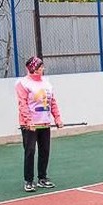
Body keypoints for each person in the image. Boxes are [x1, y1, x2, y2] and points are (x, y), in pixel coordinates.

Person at [15, 56, 64, 192]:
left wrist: (57, 118)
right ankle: (29, 181)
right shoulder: (23, 83)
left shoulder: (47, 83)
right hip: (29, 125)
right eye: (40, 66)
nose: (43, 69)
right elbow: (22, 104)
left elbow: (52, 102)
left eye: (42, 66)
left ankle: (42, 178)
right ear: (33, 68)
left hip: (44, 122)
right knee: (30, 151)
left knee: (45, 150)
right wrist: (28, 121)